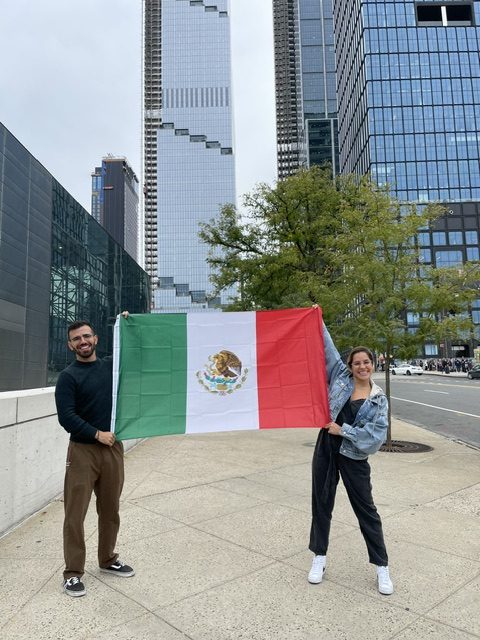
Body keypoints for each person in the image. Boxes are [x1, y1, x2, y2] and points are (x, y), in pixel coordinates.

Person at [308, 322, 394, 595]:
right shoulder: (341, 378)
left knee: (366, 510)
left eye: (366, 362)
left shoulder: (378, 399)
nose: (362, 366)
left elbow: (374, 438)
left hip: (354, 456)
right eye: (357, 363)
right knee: (321, 503)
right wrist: (317, 320)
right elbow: (327, 348)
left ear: (373, 365)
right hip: (326, 448)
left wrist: (343, 430)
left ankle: (381, 566)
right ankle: (319, 557)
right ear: (350, 366)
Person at [55, 318, 134, 597]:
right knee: (75, 514)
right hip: (82, 452)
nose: (83, 342)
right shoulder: (68, 377)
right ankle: (73, 573)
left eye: (86, 336)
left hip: (112, 449)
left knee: (110, 509)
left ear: (96, 339)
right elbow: (67, 417)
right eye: (76, 339)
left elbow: (134, 353)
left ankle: (108, 559)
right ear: (70, 345)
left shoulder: (110, 367)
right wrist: (96, 434)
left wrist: (128, 323)